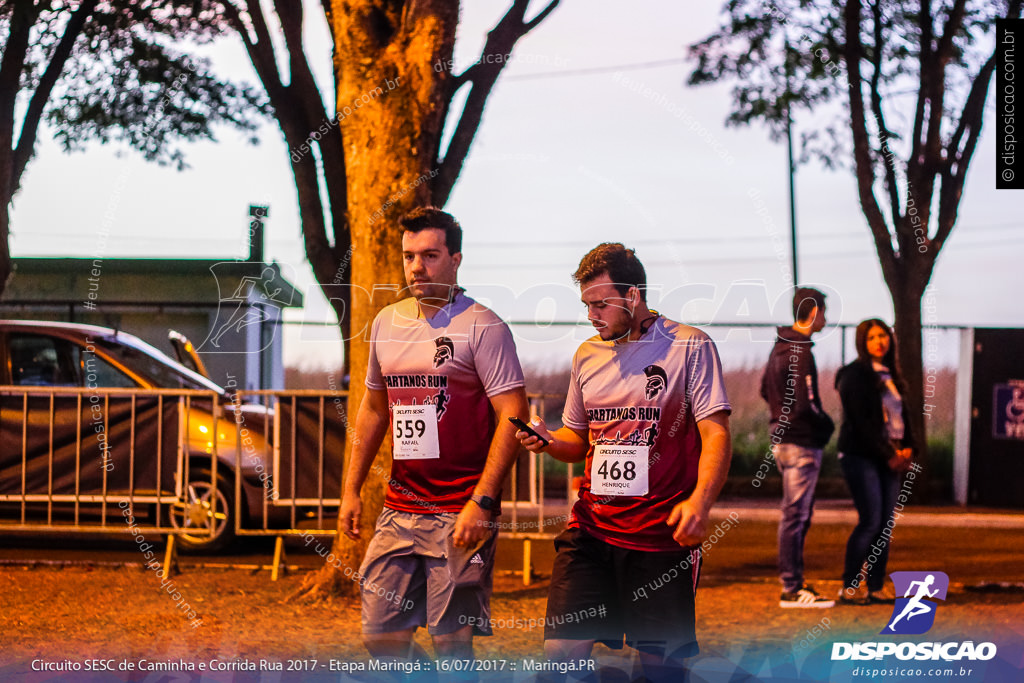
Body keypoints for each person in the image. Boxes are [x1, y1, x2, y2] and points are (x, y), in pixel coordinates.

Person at [516, 243, 732, 680]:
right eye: (586, 306)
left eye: (600, 304)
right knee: (559, 661)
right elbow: (576, 440)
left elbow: (717, 434)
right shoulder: (586, 356)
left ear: (632, 296)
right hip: (590, 532)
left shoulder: (689, 346)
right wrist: (547, 441)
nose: (592, 315)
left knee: (660, 672)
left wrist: (700, 504)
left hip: (660, 539)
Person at [339, 207, 529, 663]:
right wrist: (349, 490)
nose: (417, 267)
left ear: (456, 259)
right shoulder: (385, 322)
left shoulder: (483, 325)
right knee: (381, 638)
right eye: (409, 257)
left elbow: (514, 415)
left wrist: (482, 501)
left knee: (452, 648)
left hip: (460, 510)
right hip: (399, 508)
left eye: (430, 255)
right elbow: (373, 409)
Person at [760, 286, 835, 608]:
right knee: (796, 515)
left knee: (795, 514)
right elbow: (808, 403)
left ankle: (794, 583)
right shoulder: (801, 349)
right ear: (814, 311)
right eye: (824, 312)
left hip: (782, 439)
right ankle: (792, 587)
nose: (826, 319)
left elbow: (764, 388)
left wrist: (779, 418)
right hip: (801, 442)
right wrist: (826, 425)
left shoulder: (780, 347)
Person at [835, 318, 914, 605]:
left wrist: (909, 449)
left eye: (883, 336)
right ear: (862, 343)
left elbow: (904, 419)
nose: (879, 342)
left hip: (890, 457)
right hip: (860, 455)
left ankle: (877, 586)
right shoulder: (853, 375)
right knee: (870, 521)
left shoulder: (892, 375)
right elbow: (861, 424)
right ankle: (850, 586)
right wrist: (889, 454)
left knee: (885, 525)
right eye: (872, 337)